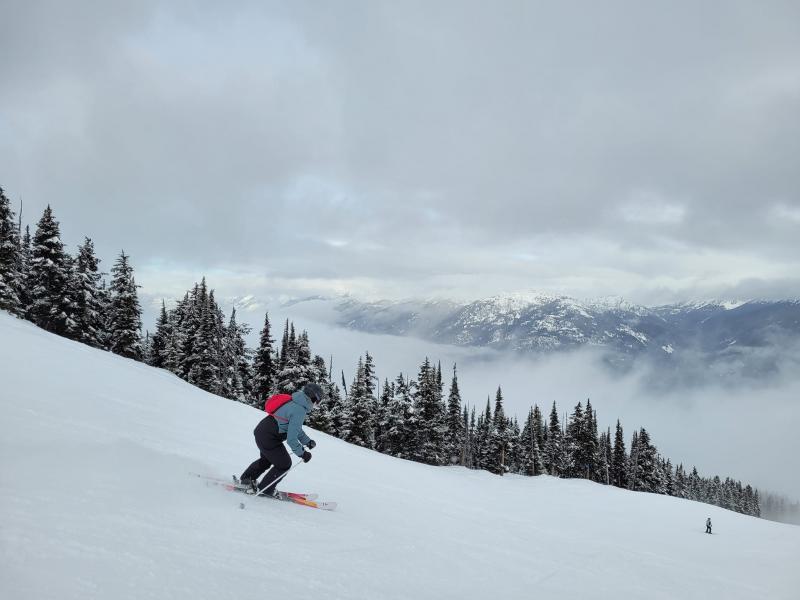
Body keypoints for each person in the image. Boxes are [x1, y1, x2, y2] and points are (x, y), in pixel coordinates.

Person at [239, 383, 324, 498]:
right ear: (313, 397)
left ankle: (246, 479)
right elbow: (291, 438)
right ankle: (266, 489)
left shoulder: (295, 402)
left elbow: (295, 429)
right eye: (318, 401)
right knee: (284, 464)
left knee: (267, 460)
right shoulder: (299, 410)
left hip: (262, 431)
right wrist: (302, 454)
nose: (317, 405)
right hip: (270, 437)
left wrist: (307, 441)